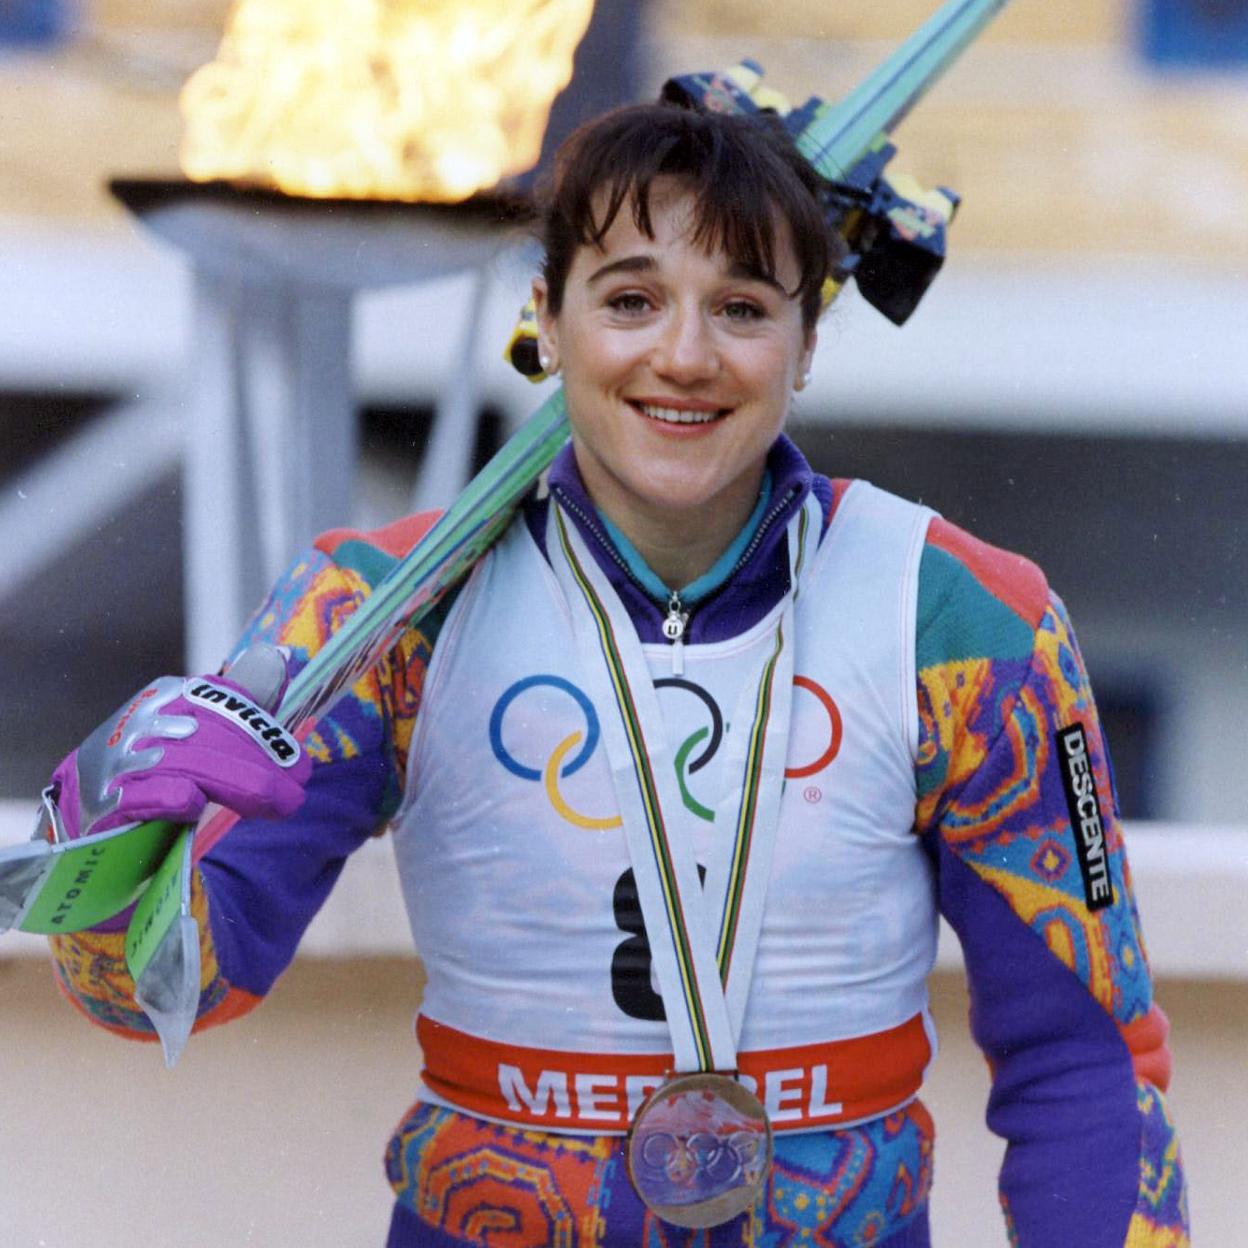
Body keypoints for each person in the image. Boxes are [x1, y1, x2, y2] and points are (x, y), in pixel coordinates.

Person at [43, 102, 1188, 1246]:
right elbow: (165, 991)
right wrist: (112, 822)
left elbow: (1087, 1067)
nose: (683, 356)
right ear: (546, 316)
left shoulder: (968, 621)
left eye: (741, 307)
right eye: (630, 299)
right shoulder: (384, 610)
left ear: (808, 342)